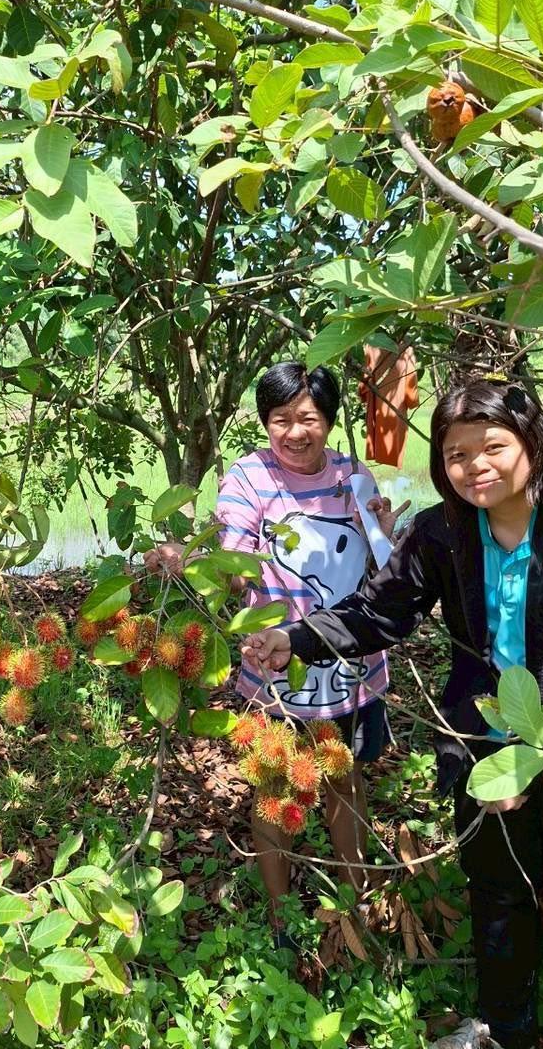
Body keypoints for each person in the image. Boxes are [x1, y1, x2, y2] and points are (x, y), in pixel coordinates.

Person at [244, 378, 543, 1049]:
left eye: (493, 447)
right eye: (456, 455)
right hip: (484, 743)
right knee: (499, 890)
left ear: (533, 446)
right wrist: (297, 638)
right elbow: (379, 610)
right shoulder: (441, 534)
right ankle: (506, 1026)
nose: (474, 466)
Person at [145, 362, 406, 946]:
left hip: (351, 667)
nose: (294, 431)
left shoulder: (351, 477)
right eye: (279, 420)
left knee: (345, 777)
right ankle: (280, 912)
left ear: (329, 421)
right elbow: (234, 553)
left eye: (307, 419)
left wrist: (385, 531)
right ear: (265, 423)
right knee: (273, 785)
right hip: (273, 665)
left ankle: (354, 892)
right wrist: (196, 562)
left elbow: (380, 561)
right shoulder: (248, 476)